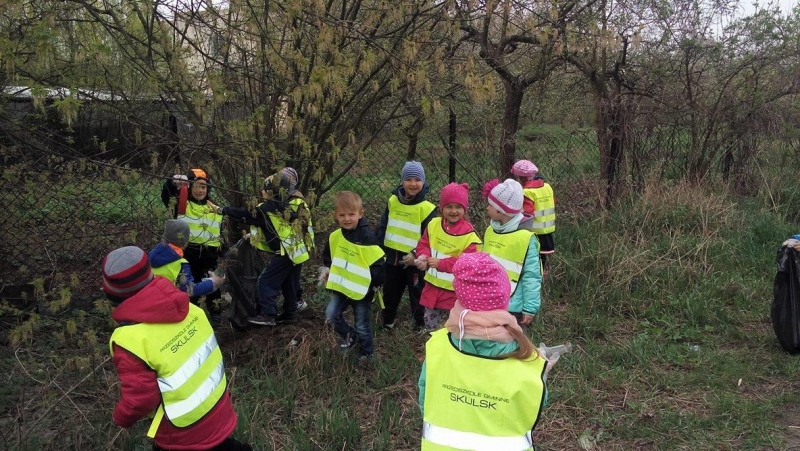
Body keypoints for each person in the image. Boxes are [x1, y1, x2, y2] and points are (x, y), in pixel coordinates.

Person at [102, 246, 251, 451]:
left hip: (183, 433)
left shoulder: (129, 340)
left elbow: (140, 400)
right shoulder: (192, 311)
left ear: (112, 295)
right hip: (218, 410)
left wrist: (120, 417)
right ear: (151, 276)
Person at [418, 252, 549, 451]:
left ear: (460, 297)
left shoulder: (438, 346)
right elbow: (536, 405)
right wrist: (542, 374)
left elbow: (425, 397)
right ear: (505, 299)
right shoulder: (527, 356)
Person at [210, 169, 312, 326]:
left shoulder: (265, 209)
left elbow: (243, 214)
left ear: (270, 192)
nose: (261, 192)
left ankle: (267, 314)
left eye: (264, 189)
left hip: (284, 253)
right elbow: (274, 227)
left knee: (266, 281)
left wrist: (221, 210)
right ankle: (290, 313)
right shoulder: (288, 205)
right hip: (298, 251)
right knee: (289, 284)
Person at [321, 191, 385, 363]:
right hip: (341, 287)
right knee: (331, 315)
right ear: (336, 215)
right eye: (342, 215)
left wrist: (373, 285)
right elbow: (328, 256)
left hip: (362, 291)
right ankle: (350, 336)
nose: (347, 219)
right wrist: (329, 270)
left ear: (360, 214)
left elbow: (378, 265)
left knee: (362, 324)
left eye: (351, 214)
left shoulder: (367, 238)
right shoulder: (334, 236)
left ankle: (367, 354)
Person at [375, 161, 437, 330]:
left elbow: (430, 237)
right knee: (390, 292)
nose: (413, 184)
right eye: (408, 179)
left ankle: (420, 325)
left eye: (417, 179)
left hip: (414, 261)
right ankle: (388, 322)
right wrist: (379, 250)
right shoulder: (392, 201)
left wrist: (416, 254)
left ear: (423, 181)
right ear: (402, 181)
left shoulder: (427, 208)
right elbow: (383, 226)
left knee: (417, 293)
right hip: (392, 259)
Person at [161, 168, 226, 326]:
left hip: (209, 255)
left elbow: (219, 231)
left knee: (213, 285)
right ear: (189, 187)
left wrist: (223, 250)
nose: (200, 190)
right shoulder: (183, 204)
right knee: (189, 287)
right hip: (188, 254)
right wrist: (173, 181)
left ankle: (216, 315)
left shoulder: (214, 207)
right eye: (196, 186)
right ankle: (191, 316)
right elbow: (167, 195)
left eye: (203, 186)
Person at [414, 182, 481, 331]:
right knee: (431, 326)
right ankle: (432, 342)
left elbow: (468, 264)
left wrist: (441, 264)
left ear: (464, 209)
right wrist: (423, 256)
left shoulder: (470, 236)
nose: (453, 211)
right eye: (449, 206)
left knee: (452, 328)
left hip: (455, 292)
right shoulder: (433, 224)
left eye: (458, 207)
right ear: (442, 207)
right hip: (432, 288)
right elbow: (424, 244)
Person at [481, 178, 543, 326]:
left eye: (490, 205)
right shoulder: (490, 230)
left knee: (513, 339)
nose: (487, 208)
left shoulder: (526, 238)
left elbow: (532, 276)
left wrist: (530, 308)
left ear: (500, 210)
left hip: (513, 307)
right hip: (489, 300)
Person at [149, 219, 225, 298]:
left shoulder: (150, 255)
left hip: (149, 299)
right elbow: (189, 290)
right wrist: (214, 282)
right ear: (185, 242)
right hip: (167, 301)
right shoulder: (181, 264)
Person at [511, 159, 556, 278]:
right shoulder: (547, 187)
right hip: (548, 226)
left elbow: (528, 213)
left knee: (534, 254)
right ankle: (545, 273)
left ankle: (536, 275)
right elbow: (553, 201)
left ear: (522, 178)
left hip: (535, 229)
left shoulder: (527, 192)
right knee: (544, 254)